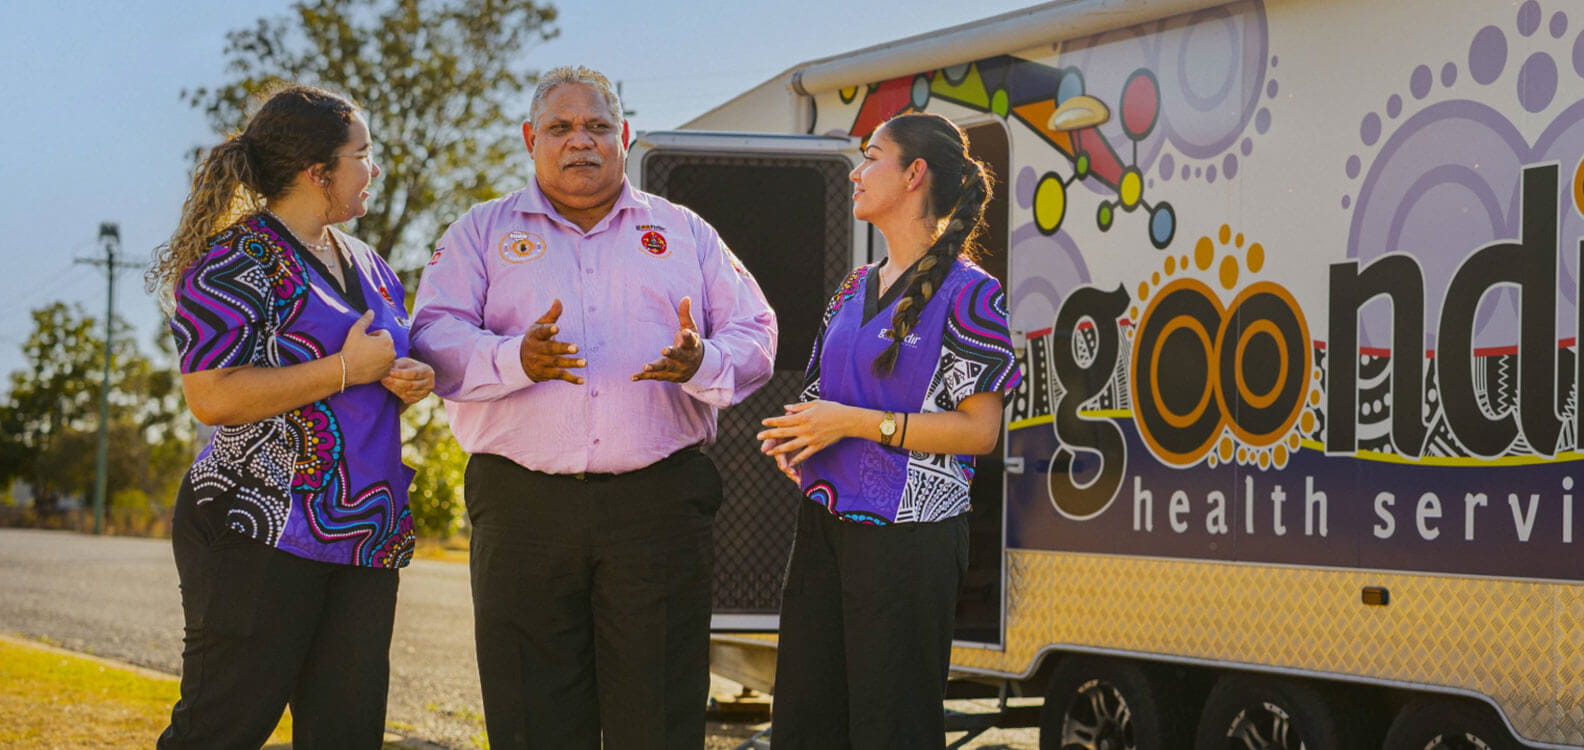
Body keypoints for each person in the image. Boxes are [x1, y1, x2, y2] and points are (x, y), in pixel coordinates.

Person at [409, 65, 777, 749]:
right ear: (531, 139)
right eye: (561, 126)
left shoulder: (685, 232)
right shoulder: (479, 232)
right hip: (522, 508)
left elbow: (755, 331)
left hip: (657, 507)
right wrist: (516, 359)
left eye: (597, 126)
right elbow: (432, 336)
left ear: (624, 136)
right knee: (532, 716)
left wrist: (703, 362)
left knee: (659, 716)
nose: (580, 140)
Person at [148, 84, 432, 749]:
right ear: (317, 171)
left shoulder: (372, 266)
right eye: (362, 154)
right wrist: (346, 369)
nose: (374, 168)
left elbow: (384, 365)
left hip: (364, 532)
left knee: (346, 734)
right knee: (222, 729)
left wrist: (410, 378)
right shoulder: (233, 261)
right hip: (258, 525)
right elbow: (212, 396)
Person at [755, 112, 1023, 749]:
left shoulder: (972, 294)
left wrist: (852, 424)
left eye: (871, 157)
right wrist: (799, 436)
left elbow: (980, 432)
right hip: (823, 526)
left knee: (892, 728)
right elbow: (822, 395)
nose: (857, 173)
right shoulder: (853, 287)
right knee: (805, 722)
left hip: (910, 539)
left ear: (913, 174)